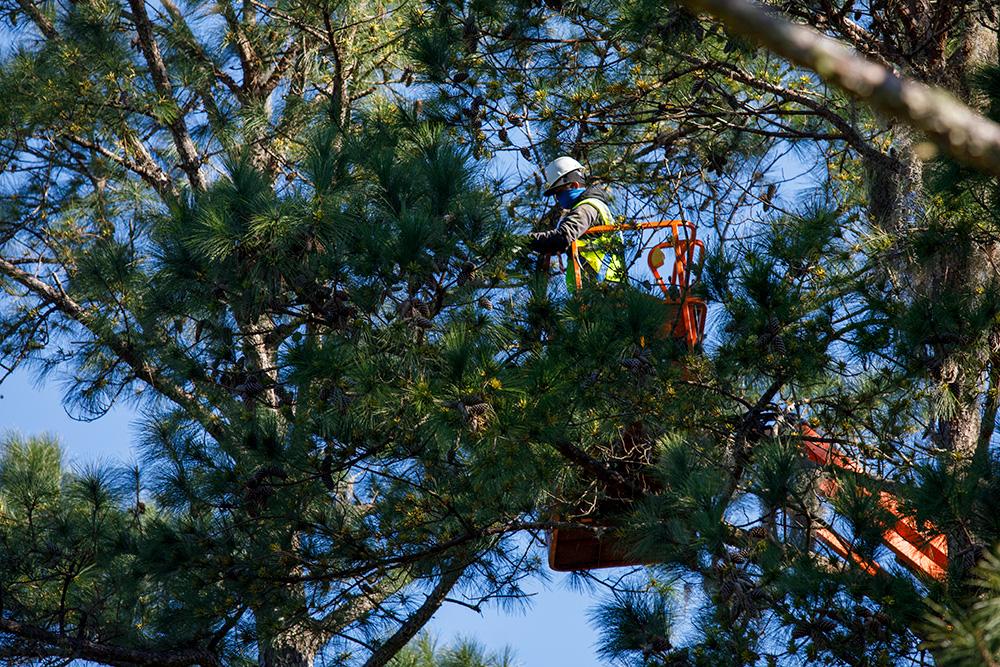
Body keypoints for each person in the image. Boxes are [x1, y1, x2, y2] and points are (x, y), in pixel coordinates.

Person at [526, 157, 625, 290]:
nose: (557, 199)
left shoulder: (586, 208)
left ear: (574, 186)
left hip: (600, 285)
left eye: (559, 193)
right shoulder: (592, 206)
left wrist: (525, 241)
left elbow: (562, 237)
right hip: (602, 285)